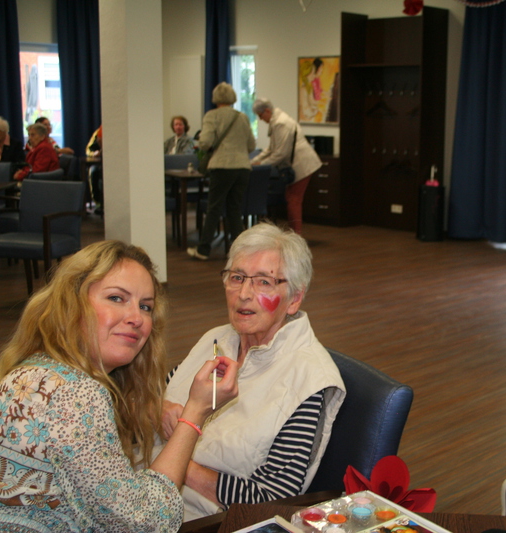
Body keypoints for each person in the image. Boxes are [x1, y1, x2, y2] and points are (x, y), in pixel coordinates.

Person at [0, 240, 240, 531]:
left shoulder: (37, 372)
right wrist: (195, 413)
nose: (136, 318)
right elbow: (148, 521)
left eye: (145, 307)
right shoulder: (76, 394)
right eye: (116, 298)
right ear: (72, 304)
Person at [162, 223, 345, 520]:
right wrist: (157, 409)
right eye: (237, 278)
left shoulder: (308, 380)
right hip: (145, 488)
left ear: (294, 299)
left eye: (264, 282)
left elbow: (272, 499)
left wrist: (175, 460)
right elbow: (156, 392)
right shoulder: (218, 338)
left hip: (200, 519)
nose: (244, 294)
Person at [187, 82, 255, 260]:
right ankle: (240, 251)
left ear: (215, 98)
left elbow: (205, 143)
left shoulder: (212, 116)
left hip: (222, 166)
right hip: (243, 167)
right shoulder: (242, 117)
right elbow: (251, 145)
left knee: (214, 208)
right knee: (235, 209)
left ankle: (203, 249)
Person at [251, 98, 322, 235]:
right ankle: (293, 234)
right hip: (297, 164)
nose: (260, 119)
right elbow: (271, 149)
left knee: (294, 199)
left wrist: (262, 165)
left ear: (267, 111)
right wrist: (255, 161)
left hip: (302, 164)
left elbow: (280, 154)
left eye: (260, 115)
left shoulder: (281, 123)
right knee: (292, 198)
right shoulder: (277, 121)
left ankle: (295, 236)